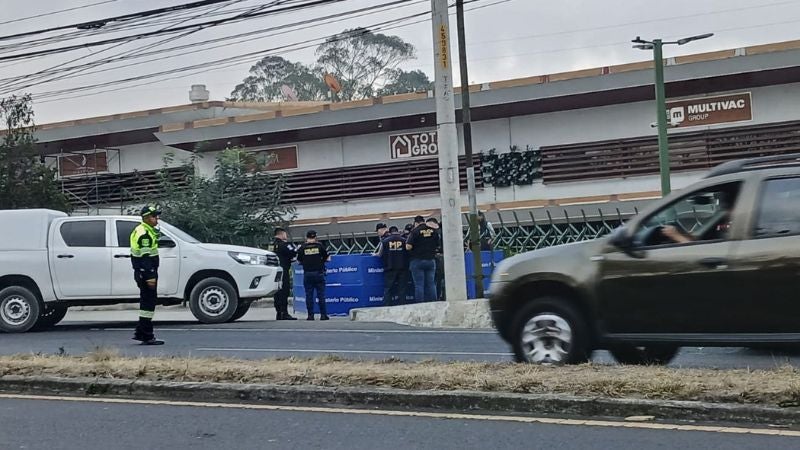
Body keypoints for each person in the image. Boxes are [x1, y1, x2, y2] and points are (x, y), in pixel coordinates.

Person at [130, 205, 164, 345]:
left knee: (146, 302)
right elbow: (145, 258)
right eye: (154, 216)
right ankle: (146, 335)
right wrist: (150, 277)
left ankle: (141, 332)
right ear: (147, 218)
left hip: (142, 273)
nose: (157, 218)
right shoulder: (144, 234)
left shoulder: (143, 230)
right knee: (149, 304)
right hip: (147, 273)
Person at [296, 230, 330, 320]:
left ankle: (310, 315)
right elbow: (327, 258)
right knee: (321, 295)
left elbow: (298, 261)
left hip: (308, 274)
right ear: (315, 237)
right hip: (319, 273)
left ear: (306, 237)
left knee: (309, 295)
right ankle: (323, 315)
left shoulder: (302, 248)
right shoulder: (320, 246)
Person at [406, 217, 440, 302]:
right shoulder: (433, 231)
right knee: (431, 283)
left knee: (419, 284)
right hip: (430, 260)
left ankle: (420, 304)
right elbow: (438, 245)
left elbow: (408, 246)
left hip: (417, 261)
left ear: (416, 223)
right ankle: (434, 302)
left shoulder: (415, 231)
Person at [272, 227, 297, 320]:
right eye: (285, 234)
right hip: (283, 271)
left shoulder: (271, 245)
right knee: (284, 291)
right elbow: (293, 252)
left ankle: (279, 313)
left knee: (277, 292)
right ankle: (284, 313)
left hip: (274, 272)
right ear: (282, 234)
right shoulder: (283, 244)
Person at [378, 226, 408, 306]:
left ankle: (387, 305)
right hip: (402, 267)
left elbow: (380, 254)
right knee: (402, 288)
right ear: (397, 231)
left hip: (390, 267)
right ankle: (402, 305)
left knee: (388, 288)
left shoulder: (385, 241)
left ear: (390, 232)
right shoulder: (404, 240)